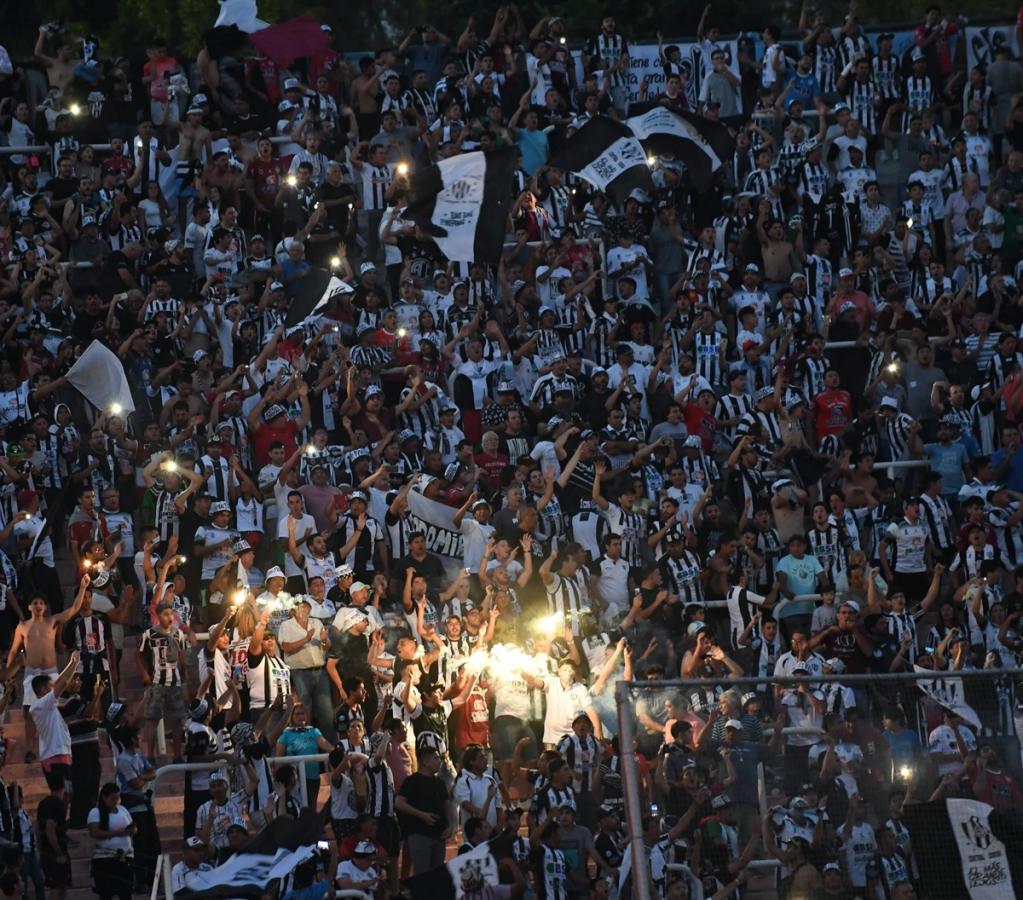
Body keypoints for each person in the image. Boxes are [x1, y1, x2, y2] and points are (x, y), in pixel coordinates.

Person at [395, 745, 448, 875]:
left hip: (439, 835)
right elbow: (399, 803)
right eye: (436, 758)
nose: (439, 761)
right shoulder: (412, 781)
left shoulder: (440, 782)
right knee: (423, 874)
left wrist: (449, 824)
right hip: (420, 834)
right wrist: (421, 815)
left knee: (438, 873)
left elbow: (446, 804)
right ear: (425, 762)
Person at [87, 783, 135, 900]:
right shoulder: (96, 812)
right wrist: (117, 833)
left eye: (117, 798)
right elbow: (95, 832)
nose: (115, 801)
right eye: (112, 798)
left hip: (125, 856)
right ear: (104, 797)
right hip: (105, 858)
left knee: (126, 893)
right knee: (106, 894)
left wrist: (132, 830)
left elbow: (132, 825)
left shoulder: (122, 809)